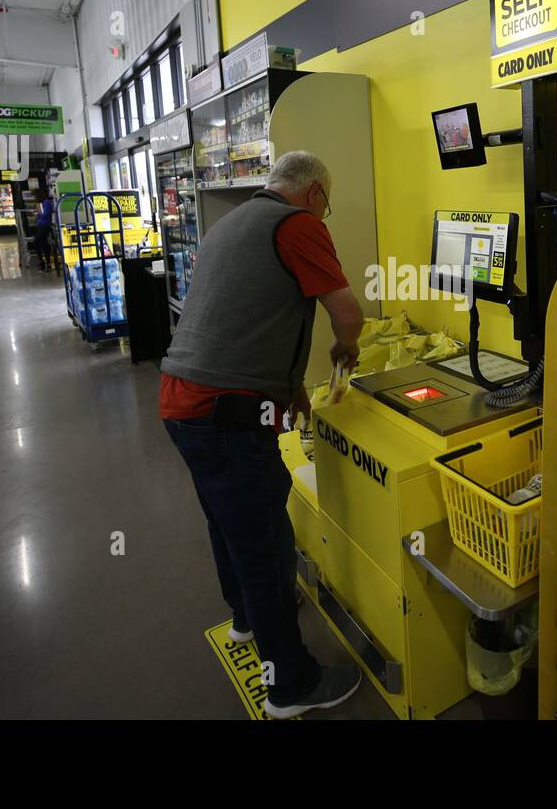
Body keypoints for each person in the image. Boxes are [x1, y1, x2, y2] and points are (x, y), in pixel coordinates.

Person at [159, 150, 364, 720]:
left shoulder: (235, 221)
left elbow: (254, 319)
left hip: (184, 402)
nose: (325, 217)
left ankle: (248, 618)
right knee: (267, 539)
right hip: (225, 413)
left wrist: (291, 385)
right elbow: (347, 315)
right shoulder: (297, 224)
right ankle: (291, 684)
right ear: (316, 194)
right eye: (328, 206)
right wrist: (345, 353)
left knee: (228, 522)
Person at [33, 186, 56, 271]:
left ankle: (43, 262)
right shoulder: (42, 203)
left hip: (45, 226)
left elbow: (45, 215)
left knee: (36, 242)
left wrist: (38, 213)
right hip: (41, 225)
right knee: (43, 244)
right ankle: (46, 263)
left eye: (35, 196)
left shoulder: (46, 202)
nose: (34, 198)